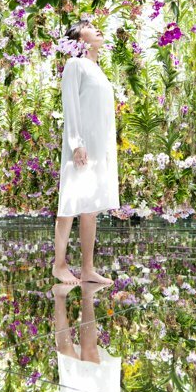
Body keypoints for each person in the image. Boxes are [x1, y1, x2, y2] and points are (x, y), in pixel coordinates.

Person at [53, 21, 118, 285]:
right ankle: (59, 265)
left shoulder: (98, 70)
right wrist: (76, 142)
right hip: (81, 147)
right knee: (69, 204)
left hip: (98, 146)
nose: (98, 28)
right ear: (79, 38)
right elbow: (71, 105)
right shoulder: (75, 65)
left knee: (90, 208)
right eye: (90, 27)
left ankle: (88, 268)